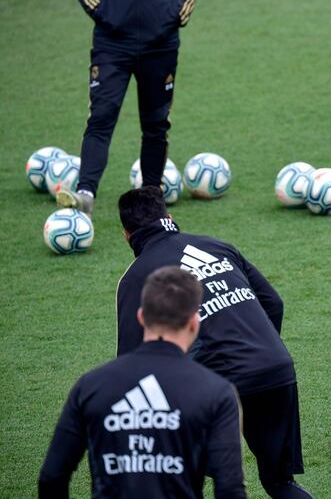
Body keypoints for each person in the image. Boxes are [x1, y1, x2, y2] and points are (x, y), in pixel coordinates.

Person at [116, 187, 312, 499]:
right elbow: (273, 303)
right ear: (170, 218)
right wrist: (257, 352)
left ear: (127, 235)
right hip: (275, 368)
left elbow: (131, 361)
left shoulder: (136, 278)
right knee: (279, 483)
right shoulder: (216, 246)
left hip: (213, 388)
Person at [39, 266, 245, 498]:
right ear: (194, 323)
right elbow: (230, 488)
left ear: (141, 317)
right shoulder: (216, 391)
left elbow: (52, 477)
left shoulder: (91, 385)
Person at [57, 0, 205, 216]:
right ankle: (85, 195)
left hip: (160, 46)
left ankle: (153, 200)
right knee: (101, 117)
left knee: (156, 124)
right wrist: (100, 9)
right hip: (111, 46)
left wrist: (176, 13)